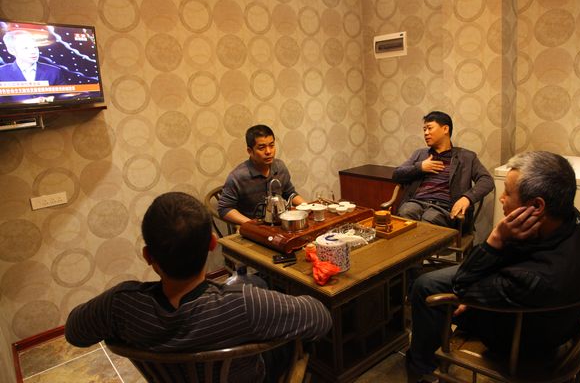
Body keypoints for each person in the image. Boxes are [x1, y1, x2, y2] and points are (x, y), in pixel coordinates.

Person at [65, 192, 332, 382]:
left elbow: (75, 332)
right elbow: (320, 318)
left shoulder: (121, 305)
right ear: (212, 244)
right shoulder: (244, 304)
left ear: (148, 256)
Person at [406, 151, 580, 381]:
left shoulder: (534, 278)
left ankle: (421, 369)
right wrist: (484, 287)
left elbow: (462, 285)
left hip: (520, 334)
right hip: (551, 315)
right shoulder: (574, 222)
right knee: (429, 281)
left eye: (507, 192)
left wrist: (496, 238)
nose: (502, 198)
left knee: (425, 288)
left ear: (536, 206)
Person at [392, 111, 494, 228]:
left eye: (429, 128)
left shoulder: (466, 157)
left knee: (430, 219)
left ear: (445, 129)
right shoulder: (420, 154)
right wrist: (420, 168)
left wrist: (467, 198)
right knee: (405, 212)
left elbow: (487, 180)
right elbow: (396, 174)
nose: (426, 133)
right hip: (416, 203)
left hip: (445, 208)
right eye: (424, 129)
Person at [218, 124, 306, 225]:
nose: (268, 152)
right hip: (252, 227)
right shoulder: (237, 176)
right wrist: (252, 224)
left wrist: (307, 207)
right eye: (261, 148)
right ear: (250, 151)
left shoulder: (280, 167)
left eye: (271, 146)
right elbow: (224, 209)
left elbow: (290, 193)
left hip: (278, 223)